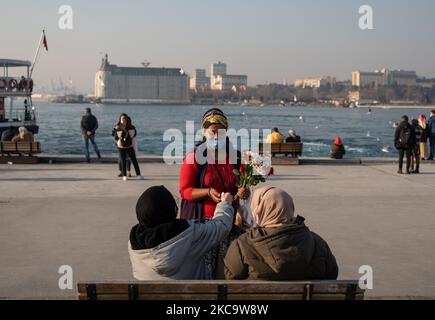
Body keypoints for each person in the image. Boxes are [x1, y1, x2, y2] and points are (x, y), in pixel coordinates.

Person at [179, 108, 250, 278]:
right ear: (204, 132)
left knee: (228, 271)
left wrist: (243, 191)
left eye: (221, 132)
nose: (217, 136)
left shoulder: (236, 157)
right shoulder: (194, 157)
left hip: (230, 223)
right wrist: (207, 192)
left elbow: (240, 185)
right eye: (213, 132)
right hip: (203, 225)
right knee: (204, 272)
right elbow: (184, 191)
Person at [224, 187, 338, 281]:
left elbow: (229, 279)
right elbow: (332, 275)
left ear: (259, 210)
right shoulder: (317, 242)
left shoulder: (243, 244)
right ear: (290, 207)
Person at [128, 186, 235, 280]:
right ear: (170, 210)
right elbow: (221, 226)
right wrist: (225, 203)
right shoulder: (190, 234)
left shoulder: (134, 243)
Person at [114, 114, 143, 180]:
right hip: (130, 146)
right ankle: (138, 175)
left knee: (123, 160)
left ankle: (124, 176)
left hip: (121, 146)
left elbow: (115, 137)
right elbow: (135, 135)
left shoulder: (118, 127)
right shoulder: (132, 127)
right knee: (134, 161)